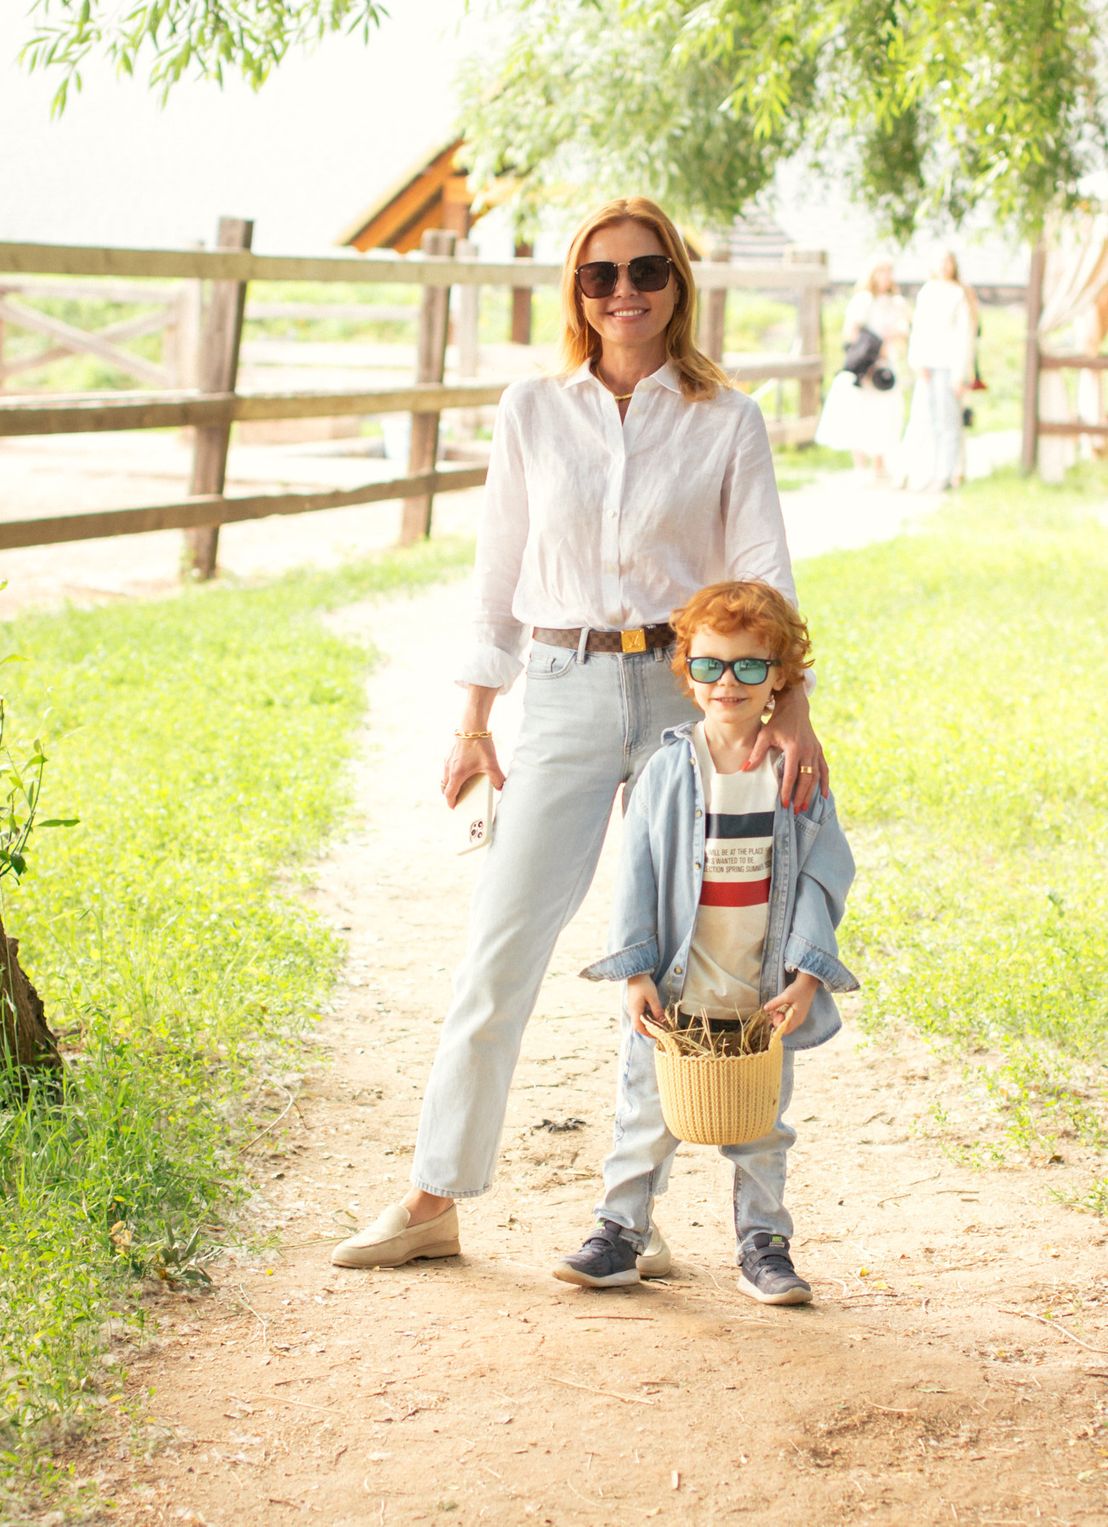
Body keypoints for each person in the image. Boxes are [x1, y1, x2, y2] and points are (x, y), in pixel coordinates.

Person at [331, 197, 831, 1272]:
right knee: (499, 949)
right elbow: (495, 578)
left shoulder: (725, 420)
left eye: (646, 271)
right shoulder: (532, 410)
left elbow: (765, 585)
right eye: (600, 277)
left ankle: (629, 1223)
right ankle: (432, 1198)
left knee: (674, 958)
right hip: (557, 690)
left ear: (676, 284)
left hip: (682, 699)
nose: (624, 295)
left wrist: (789, 716)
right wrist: (473, 719)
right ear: (576, 292)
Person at [552, 581, 855, 1306]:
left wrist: (807, 973)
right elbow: (637, 874)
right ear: (687, 672)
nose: (729, 682)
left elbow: (823, 872)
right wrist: (634, 973)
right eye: (712, 665)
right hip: (677, 990)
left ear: (780, 674)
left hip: (759, 996)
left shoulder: (796, 773)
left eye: (751, 667)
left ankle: (764, 1245)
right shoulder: (666, 774)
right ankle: (618, 1233)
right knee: (644, 1116)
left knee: (760, 1128)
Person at [812, 259, 910, 479]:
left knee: (884, 410)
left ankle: (879, 464)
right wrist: (874, 346)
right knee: (861, 410)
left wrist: (892, 336)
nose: (886, 276)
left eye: (889, 271)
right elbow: (851, 332)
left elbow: (905, 328)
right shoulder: (863, 300)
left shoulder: (895, 302)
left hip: (887, 362)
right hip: (867, 363)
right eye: (882, 271)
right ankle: (860, 466)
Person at [897, 249, 980, 491]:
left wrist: (959, 374)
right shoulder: (927, 292)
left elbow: (965, 335)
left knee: (949, 422)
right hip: (928, 365)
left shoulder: (958, 295)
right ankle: (930, 472)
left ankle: (946, 475)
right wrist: (917, 361)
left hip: (949, 365)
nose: (944, 265)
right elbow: (919, 330)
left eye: (948, 261)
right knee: (928, 421)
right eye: (940, 260)